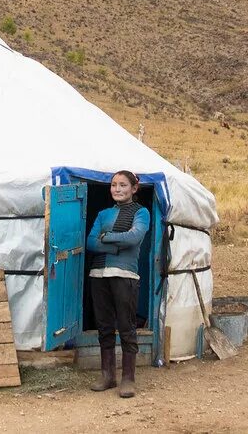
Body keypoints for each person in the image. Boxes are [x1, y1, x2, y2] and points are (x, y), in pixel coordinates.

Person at [85, 170, 150, 398]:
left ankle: (128, 379)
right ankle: (108, 376)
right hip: (98, 274)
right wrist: (116, 244)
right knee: (104, 326)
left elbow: (134, 237)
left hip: (125, 275)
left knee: (126, 326)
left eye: (123, 185)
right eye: (114, 185)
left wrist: (107, 237)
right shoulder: (103, 214)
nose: (117, 189)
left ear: (134, 188)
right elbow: (91, 242)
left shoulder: (141, 213)